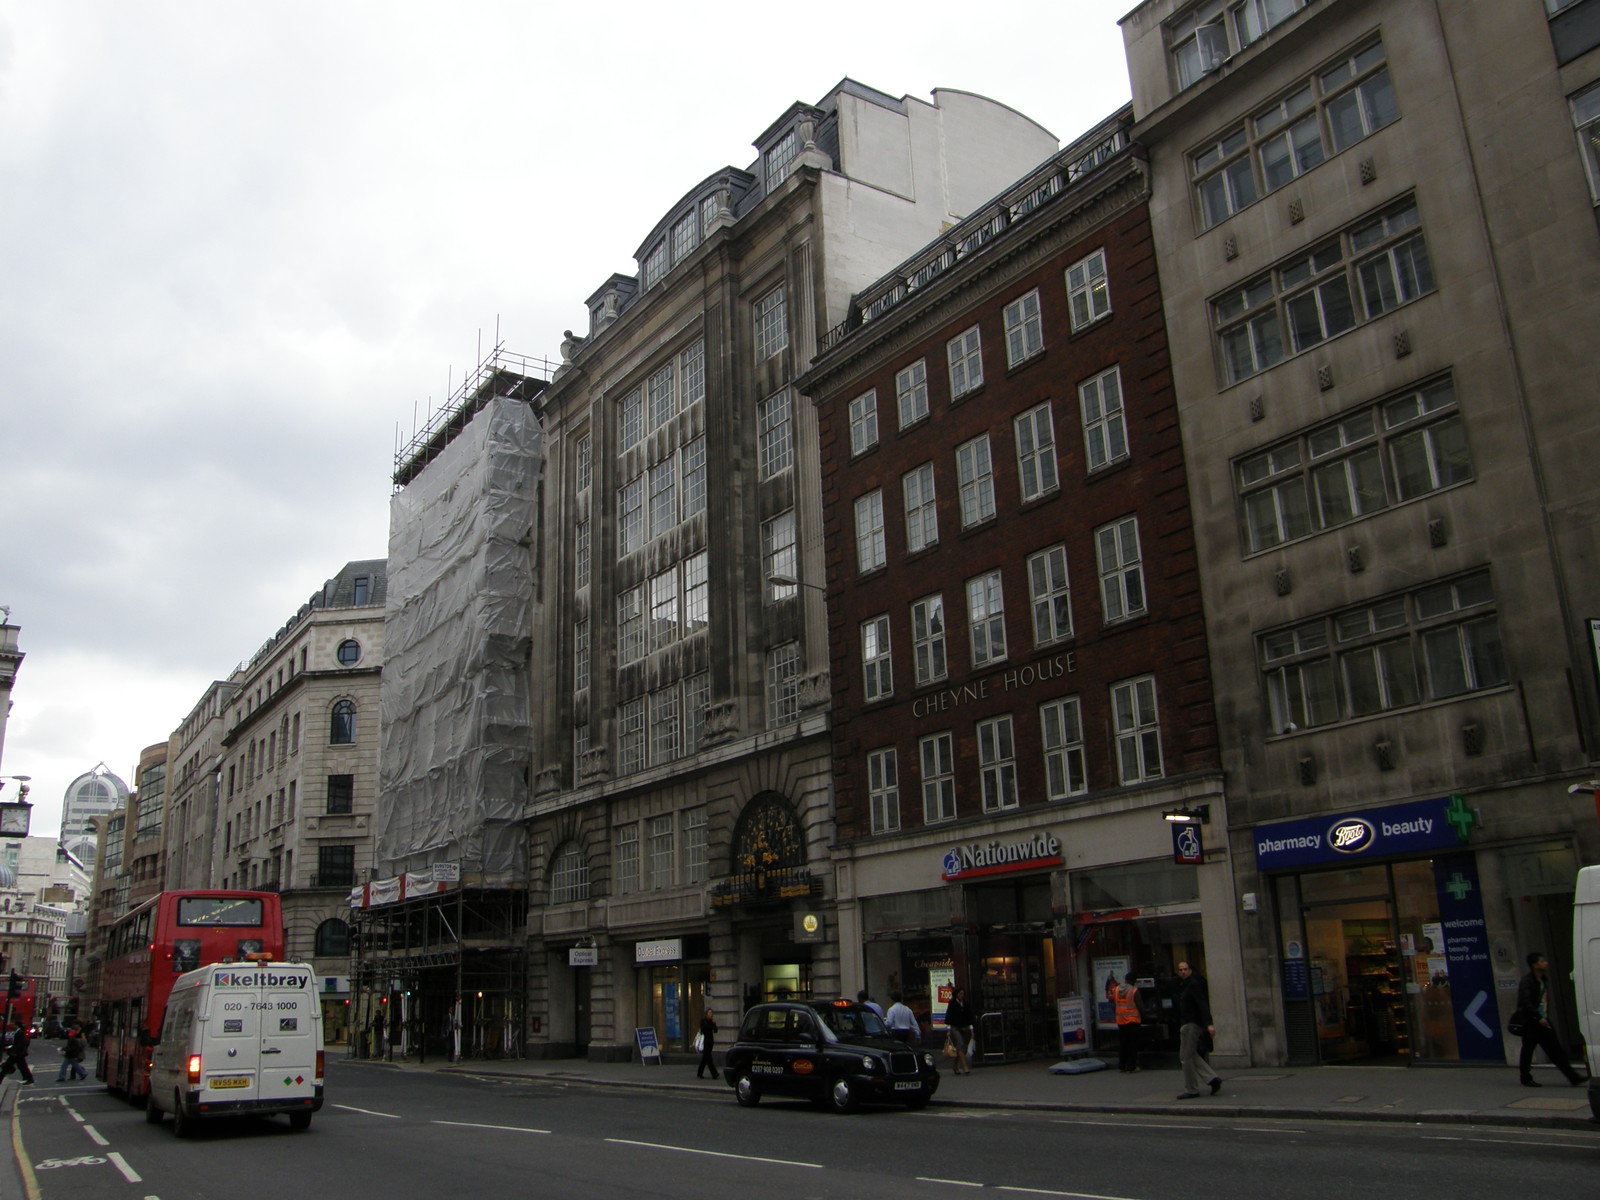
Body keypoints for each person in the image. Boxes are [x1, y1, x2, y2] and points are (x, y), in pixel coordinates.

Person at [1515, 951, 1584, 1087]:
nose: (1545, 963)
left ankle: (1573, 1077)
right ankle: (1525, 1077)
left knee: (1556, 1049)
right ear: (1535, 965)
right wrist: (1538, 1017)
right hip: (1532, 1021)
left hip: (1543, 1021)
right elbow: (1525, 1001)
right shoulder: (1527, 981)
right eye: (1542, 961)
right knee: (1528, 1050)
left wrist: (1543, 1017)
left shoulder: (1543, 980)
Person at [1174, 961, 1220, 1099]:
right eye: (1180, 969)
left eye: (1185, 969)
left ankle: (1192, 1089)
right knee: (1192, 1054)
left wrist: (1209, 1024)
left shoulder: (1193, 985)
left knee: (1185, 1058)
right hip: (1187, 1024)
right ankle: (1213, 1079)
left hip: (1192, 1025)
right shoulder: (1184, 985)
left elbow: (1202, 1004)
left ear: (1190, 971)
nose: (1183, 971)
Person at [1112, 972, 1143, 1073]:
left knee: (1123, 1044)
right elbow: (1140, 1006)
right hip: (1133, 1021)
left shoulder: (1116, 989)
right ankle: (1132, 1066)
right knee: (1132, 1045)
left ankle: (1122, 1065)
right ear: (1134, 980)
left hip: (1121, 1021)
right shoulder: (1134, 990)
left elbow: (1114, 1003)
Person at [944, 987, 975, 1074]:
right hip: (955, 1027)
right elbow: (949, 1016)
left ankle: (955, 1066)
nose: (962, 996)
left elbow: (970, 1017)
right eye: (960, 994)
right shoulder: (952, 1004)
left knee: (963, 1047)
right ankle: (965, 1067)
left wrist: (972, 1029)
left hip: (965, 1027)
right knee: (960, 1043)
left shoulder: (966, 1004)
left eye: (963, 994)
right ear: (956, 995)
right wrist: (948, 1030)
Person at [0, 1020, 33, 1085]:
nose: (12, 1026)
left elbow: (20, 1044)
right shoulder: (18, 1032)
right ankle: (28, 1079)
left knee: (7, 1067)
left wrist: (15, 1052)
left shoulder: (19, 1032)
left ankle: (29, 1079)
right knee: (21, 1067)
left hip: (17, 1054)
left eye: (13, 1024)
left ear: (16, 1025)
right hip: (18, 1054)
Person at [696, 1007, 719, 1080]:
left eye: (711, 1013)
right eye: (709, 1013)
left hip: (710, 1042)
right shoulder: (703, 1021)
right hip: (705, 1041)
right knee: (709, 1058)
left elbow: (715, 1031)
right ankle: (714, 1073)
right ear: (706, 1014)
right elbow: (703, 1030)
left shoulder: (712, 1021)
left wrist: (714, 1024)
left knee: (705, 1059)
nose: (711, 1014)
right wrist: (710, 1026)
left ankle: (699, 1073)